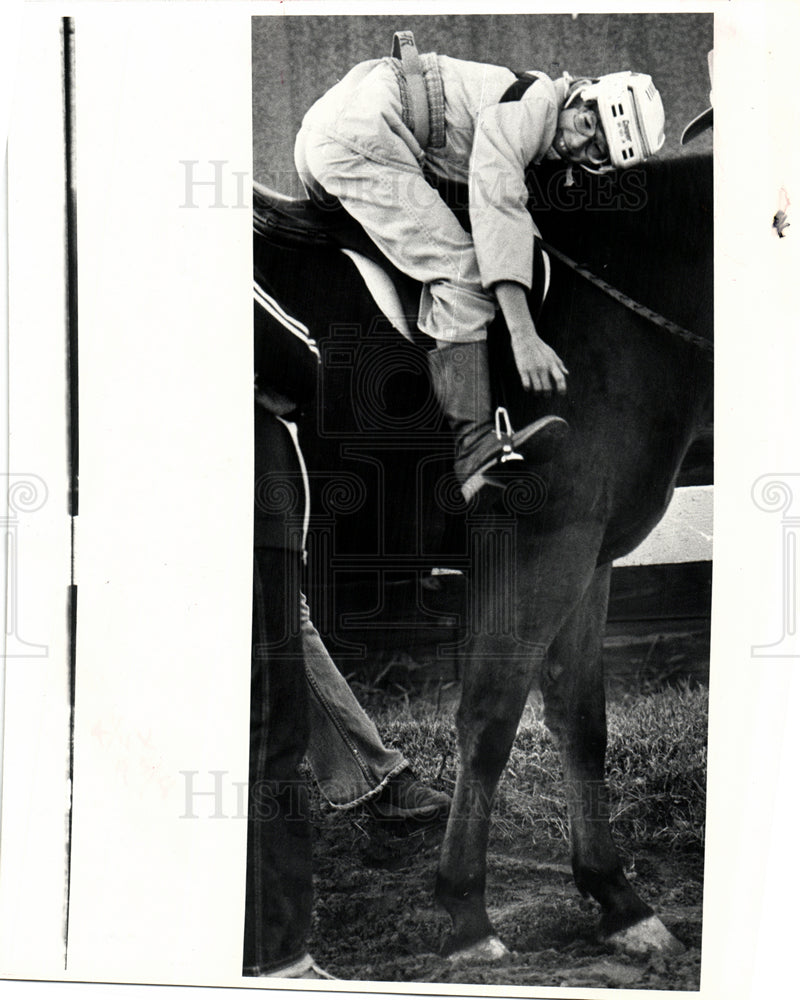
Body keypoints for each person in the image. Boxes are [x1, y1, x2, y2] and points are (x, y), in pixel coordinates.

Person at [293, 32, 666, 501]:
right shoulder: (535, 105)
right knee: (462, 275)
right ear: (582, 89)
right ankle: (473, 449)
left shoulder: (530, 102)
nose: (577, 141)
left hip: (336, 125)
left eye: (597, 152)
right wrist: (524, 335)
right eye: (588, 121)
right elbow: (496, 202)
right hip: (365, 137)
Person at [244, 283, 450, 980]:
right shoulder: (182, 240)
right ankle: (276, 961)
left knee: (285, 632)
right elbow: (297, 358)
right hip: (243, 502)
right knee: (266, 735)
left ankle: (377, 781)